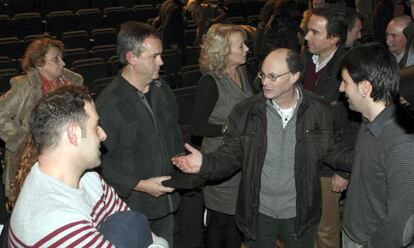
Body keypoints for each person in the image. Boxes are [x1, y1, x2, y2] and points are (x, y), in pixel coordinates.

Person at [172, 48, 348, 248]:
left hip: (299, 213)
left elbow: (335, 150)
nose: (264, 82)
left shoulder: (319, 111)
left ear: (294, 77)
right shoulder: (246, 111)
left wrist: (356, 165)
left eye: (273, 77)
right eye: (262, 75)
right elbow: (230, 156)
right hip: (258, 213)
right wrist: (205, 163)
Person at [8, 85, 156, 247]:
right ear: (74, 134)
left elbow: (134, 224)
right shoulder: (54, 221)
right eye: (95, 127)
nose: (103, 135)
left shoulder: (89, 178)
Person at [96, 21, 183, 247]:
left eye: (160, 55)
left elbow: (174, 132)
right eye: (154, 57)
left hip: (168, 204)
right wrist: (141, 184)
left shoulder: (162, 89)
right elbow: (98, 164)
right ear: (132, 58)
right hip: (131, 210)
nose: (161, 62)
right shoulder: (108, 104)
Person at [338, 42, 414, 248]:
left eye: (345, 82)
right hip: (353, 232)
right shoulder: (368, 120)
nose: (341, 88)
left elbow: (403, 223)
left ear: (365, 88)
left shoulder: (402, 141)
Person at [190, 23, 254, 248]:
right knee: (219, 221)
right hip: (219, 160)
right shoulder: (210, 81)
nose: (247, 49)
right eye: (241, 45)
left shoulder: (243, 71)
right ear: (224, 51)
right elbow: (196, 127)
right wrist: (228, 128)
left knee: (237, 219)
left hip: (242, 158)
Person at [0, 37, 83, 203]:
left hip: (66, 155)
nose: (63, 63)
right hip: (30, 159)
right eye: (55, 59)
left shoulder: (73, 83)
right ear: (39, 64)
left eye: (61, 58)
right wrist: (22, 140)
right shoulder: (24, 86)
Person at [303, 5, 359, 248]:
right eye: (308, 31)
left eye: (315, 32)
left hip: (329, 165)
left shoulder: (348, 69)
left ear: (334, 38)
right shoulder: (303, 60)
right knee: (304, 226)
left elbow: (356, 124)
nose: (307, 37)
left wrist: (344, 171)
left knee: (326, 232)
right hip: (301, 158)